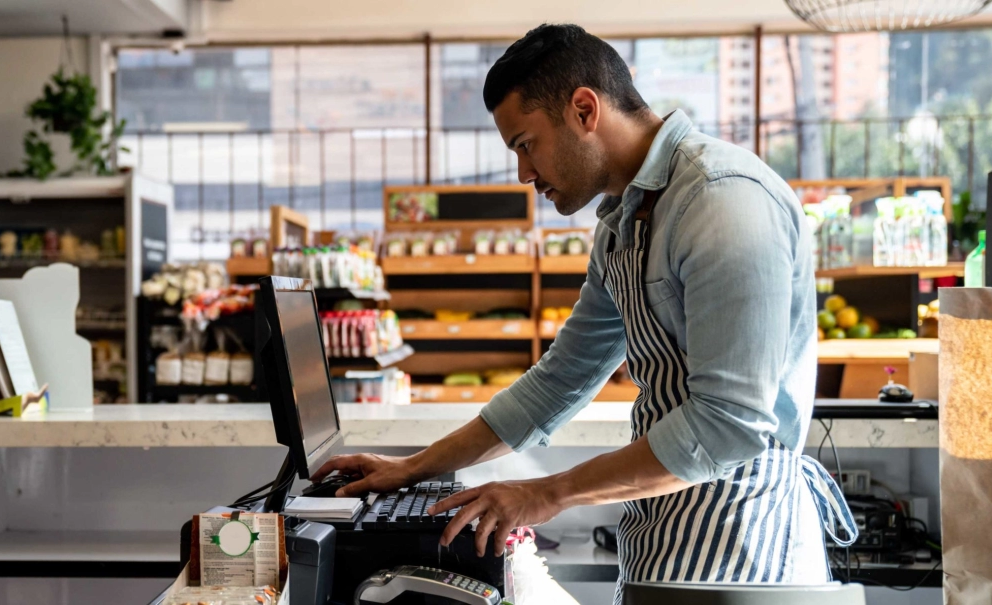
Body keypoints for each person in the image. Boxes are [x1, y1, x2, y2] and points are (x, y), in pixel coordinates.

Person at [312, 23, 857, 600]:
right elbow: (559, 382)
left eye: (526, 144)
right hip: (661, 535)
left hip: (744, 552)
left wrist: (548, 493)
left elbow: (727, 425)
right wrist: (412, 468)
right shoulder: (622, 224)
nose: (524, 173)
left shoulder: (722, 200)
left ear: (583, 109)